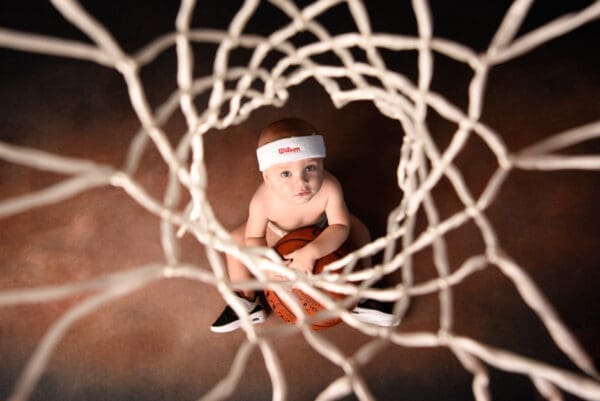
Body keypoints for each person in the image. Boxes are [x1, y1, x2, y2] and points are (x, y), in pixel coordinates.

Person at [210, 117, 398, 333]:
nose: (301, 182)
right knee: (234, 241)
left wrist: (312, 251)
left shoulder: (329, 187)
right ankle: (246, 299)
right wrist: (267, 267)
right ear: (268, 177)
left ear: (321, 164)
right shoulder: (263, 200)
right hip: (277, 233)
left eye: (309, 168)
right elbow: (254, 238)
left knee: (359, 231)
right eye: (286, 173)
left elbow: (339, 226)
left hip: (322, 226)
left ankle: (364, 291)